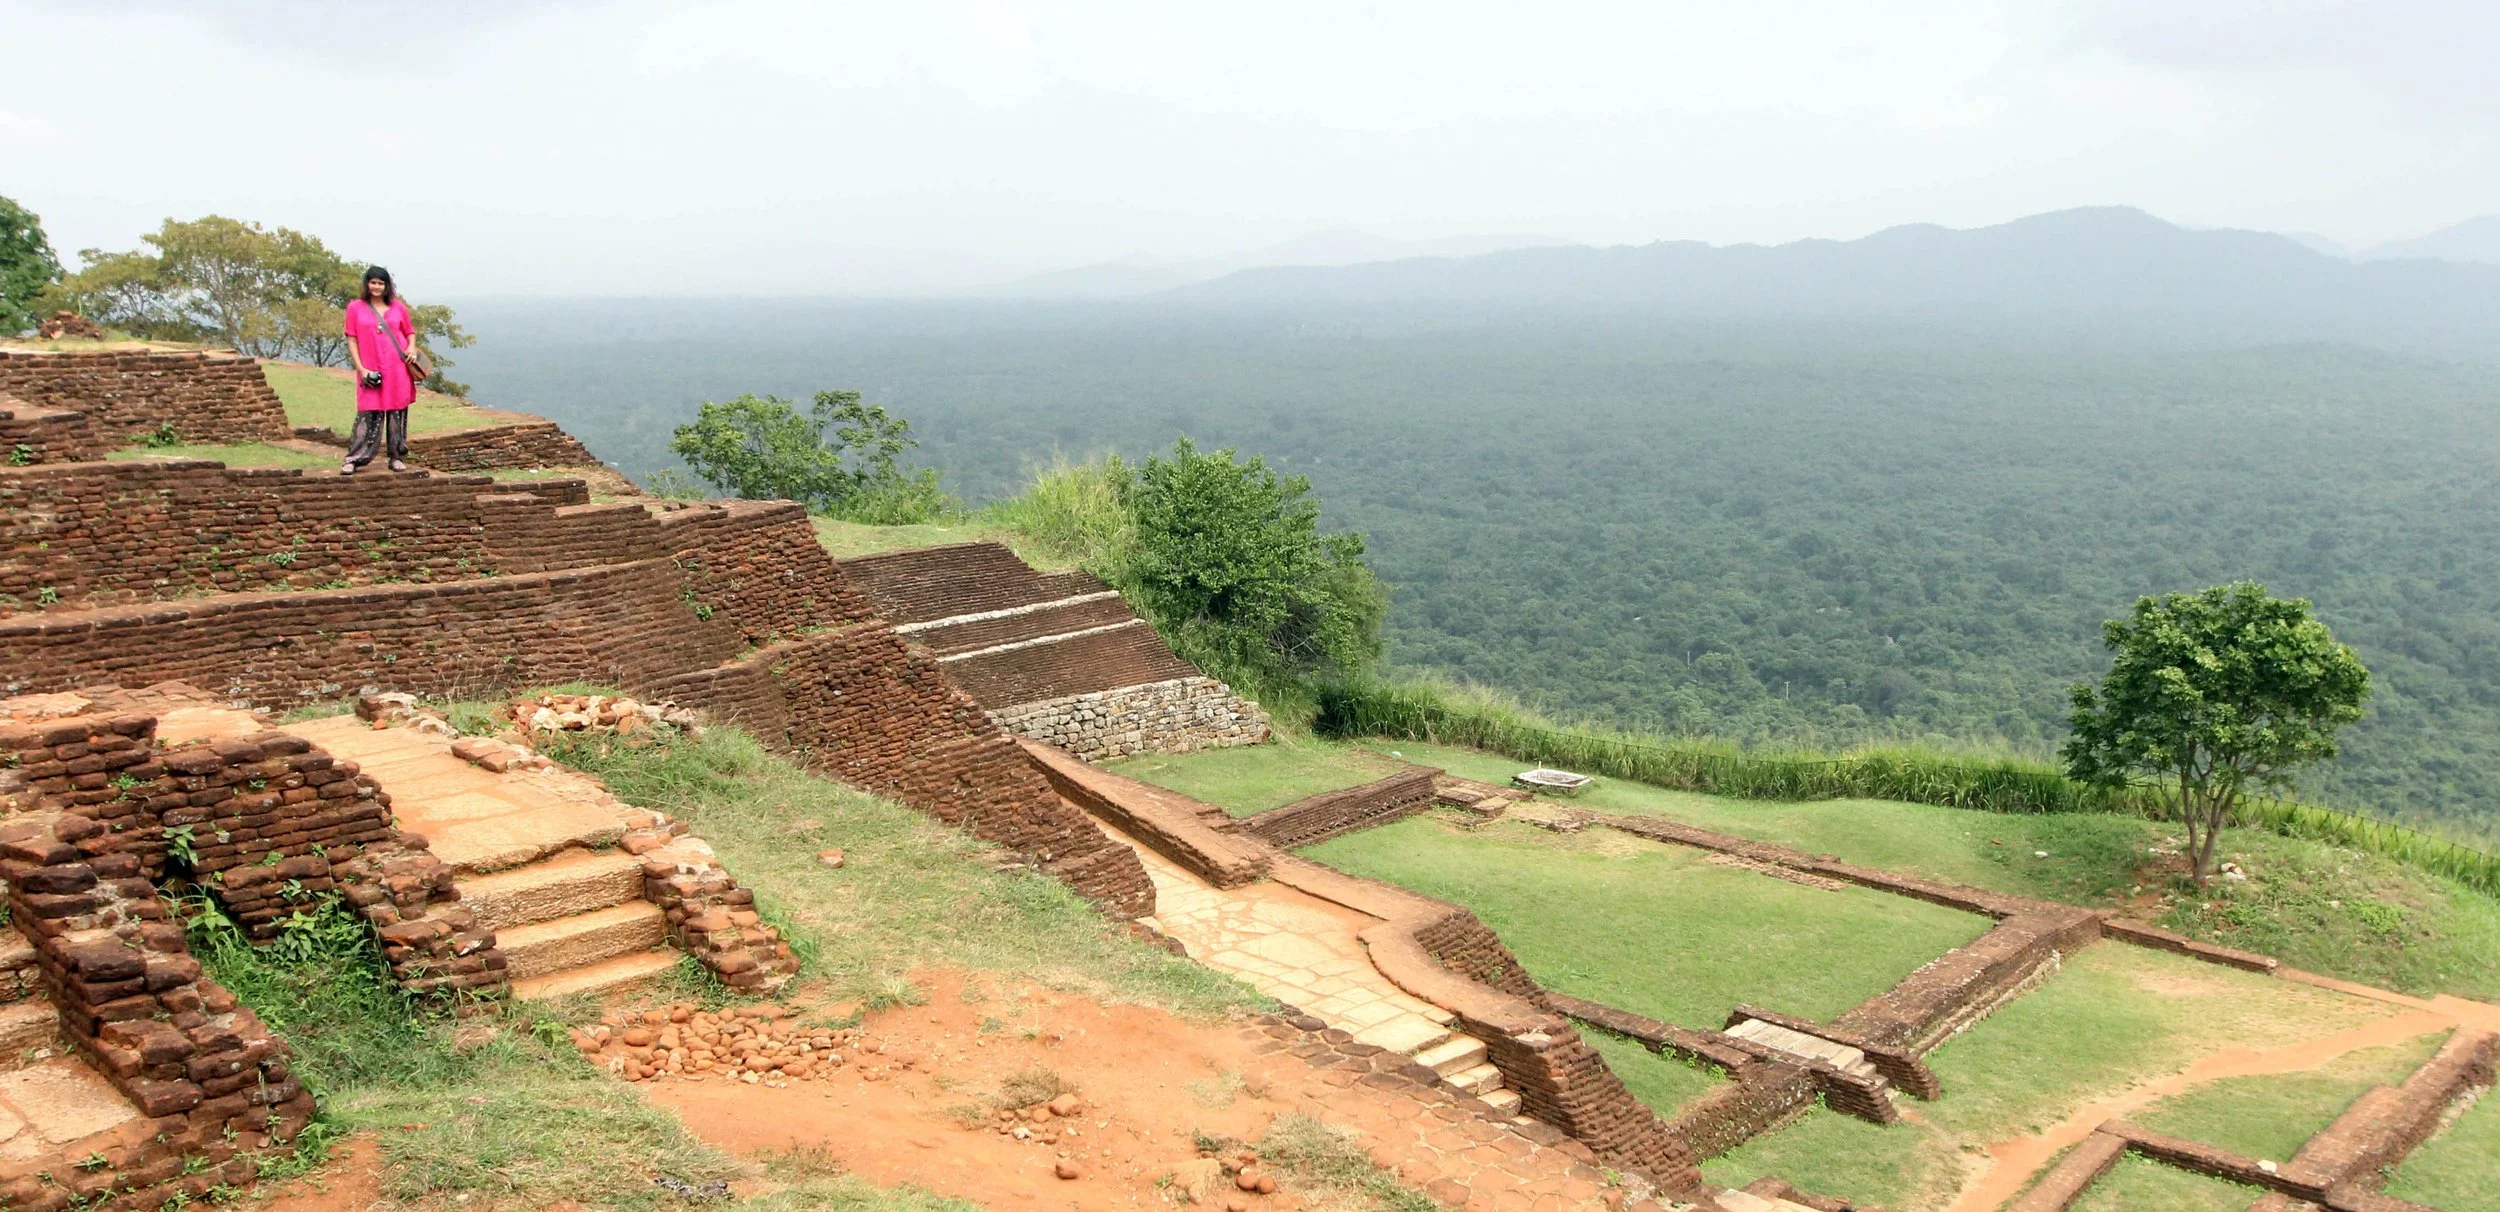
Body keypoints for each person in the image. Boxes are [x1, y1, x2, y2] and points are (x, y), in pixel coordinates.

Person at [341, 265, 419, 474]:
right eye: (373, 282)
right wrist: (361, 368)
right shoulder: (355, 307)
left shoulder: (398, 307)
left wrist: (411, 347)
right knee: (367, 414)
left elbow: (410, 332)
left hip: (397, 369)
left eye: (380, 283)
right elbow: (352, 338)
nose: (376, 287)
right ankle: (354, 458)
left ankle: (396, 457)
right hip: (370, 368)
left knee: (397, 413)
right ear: (367, 284)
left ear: (387, 286)